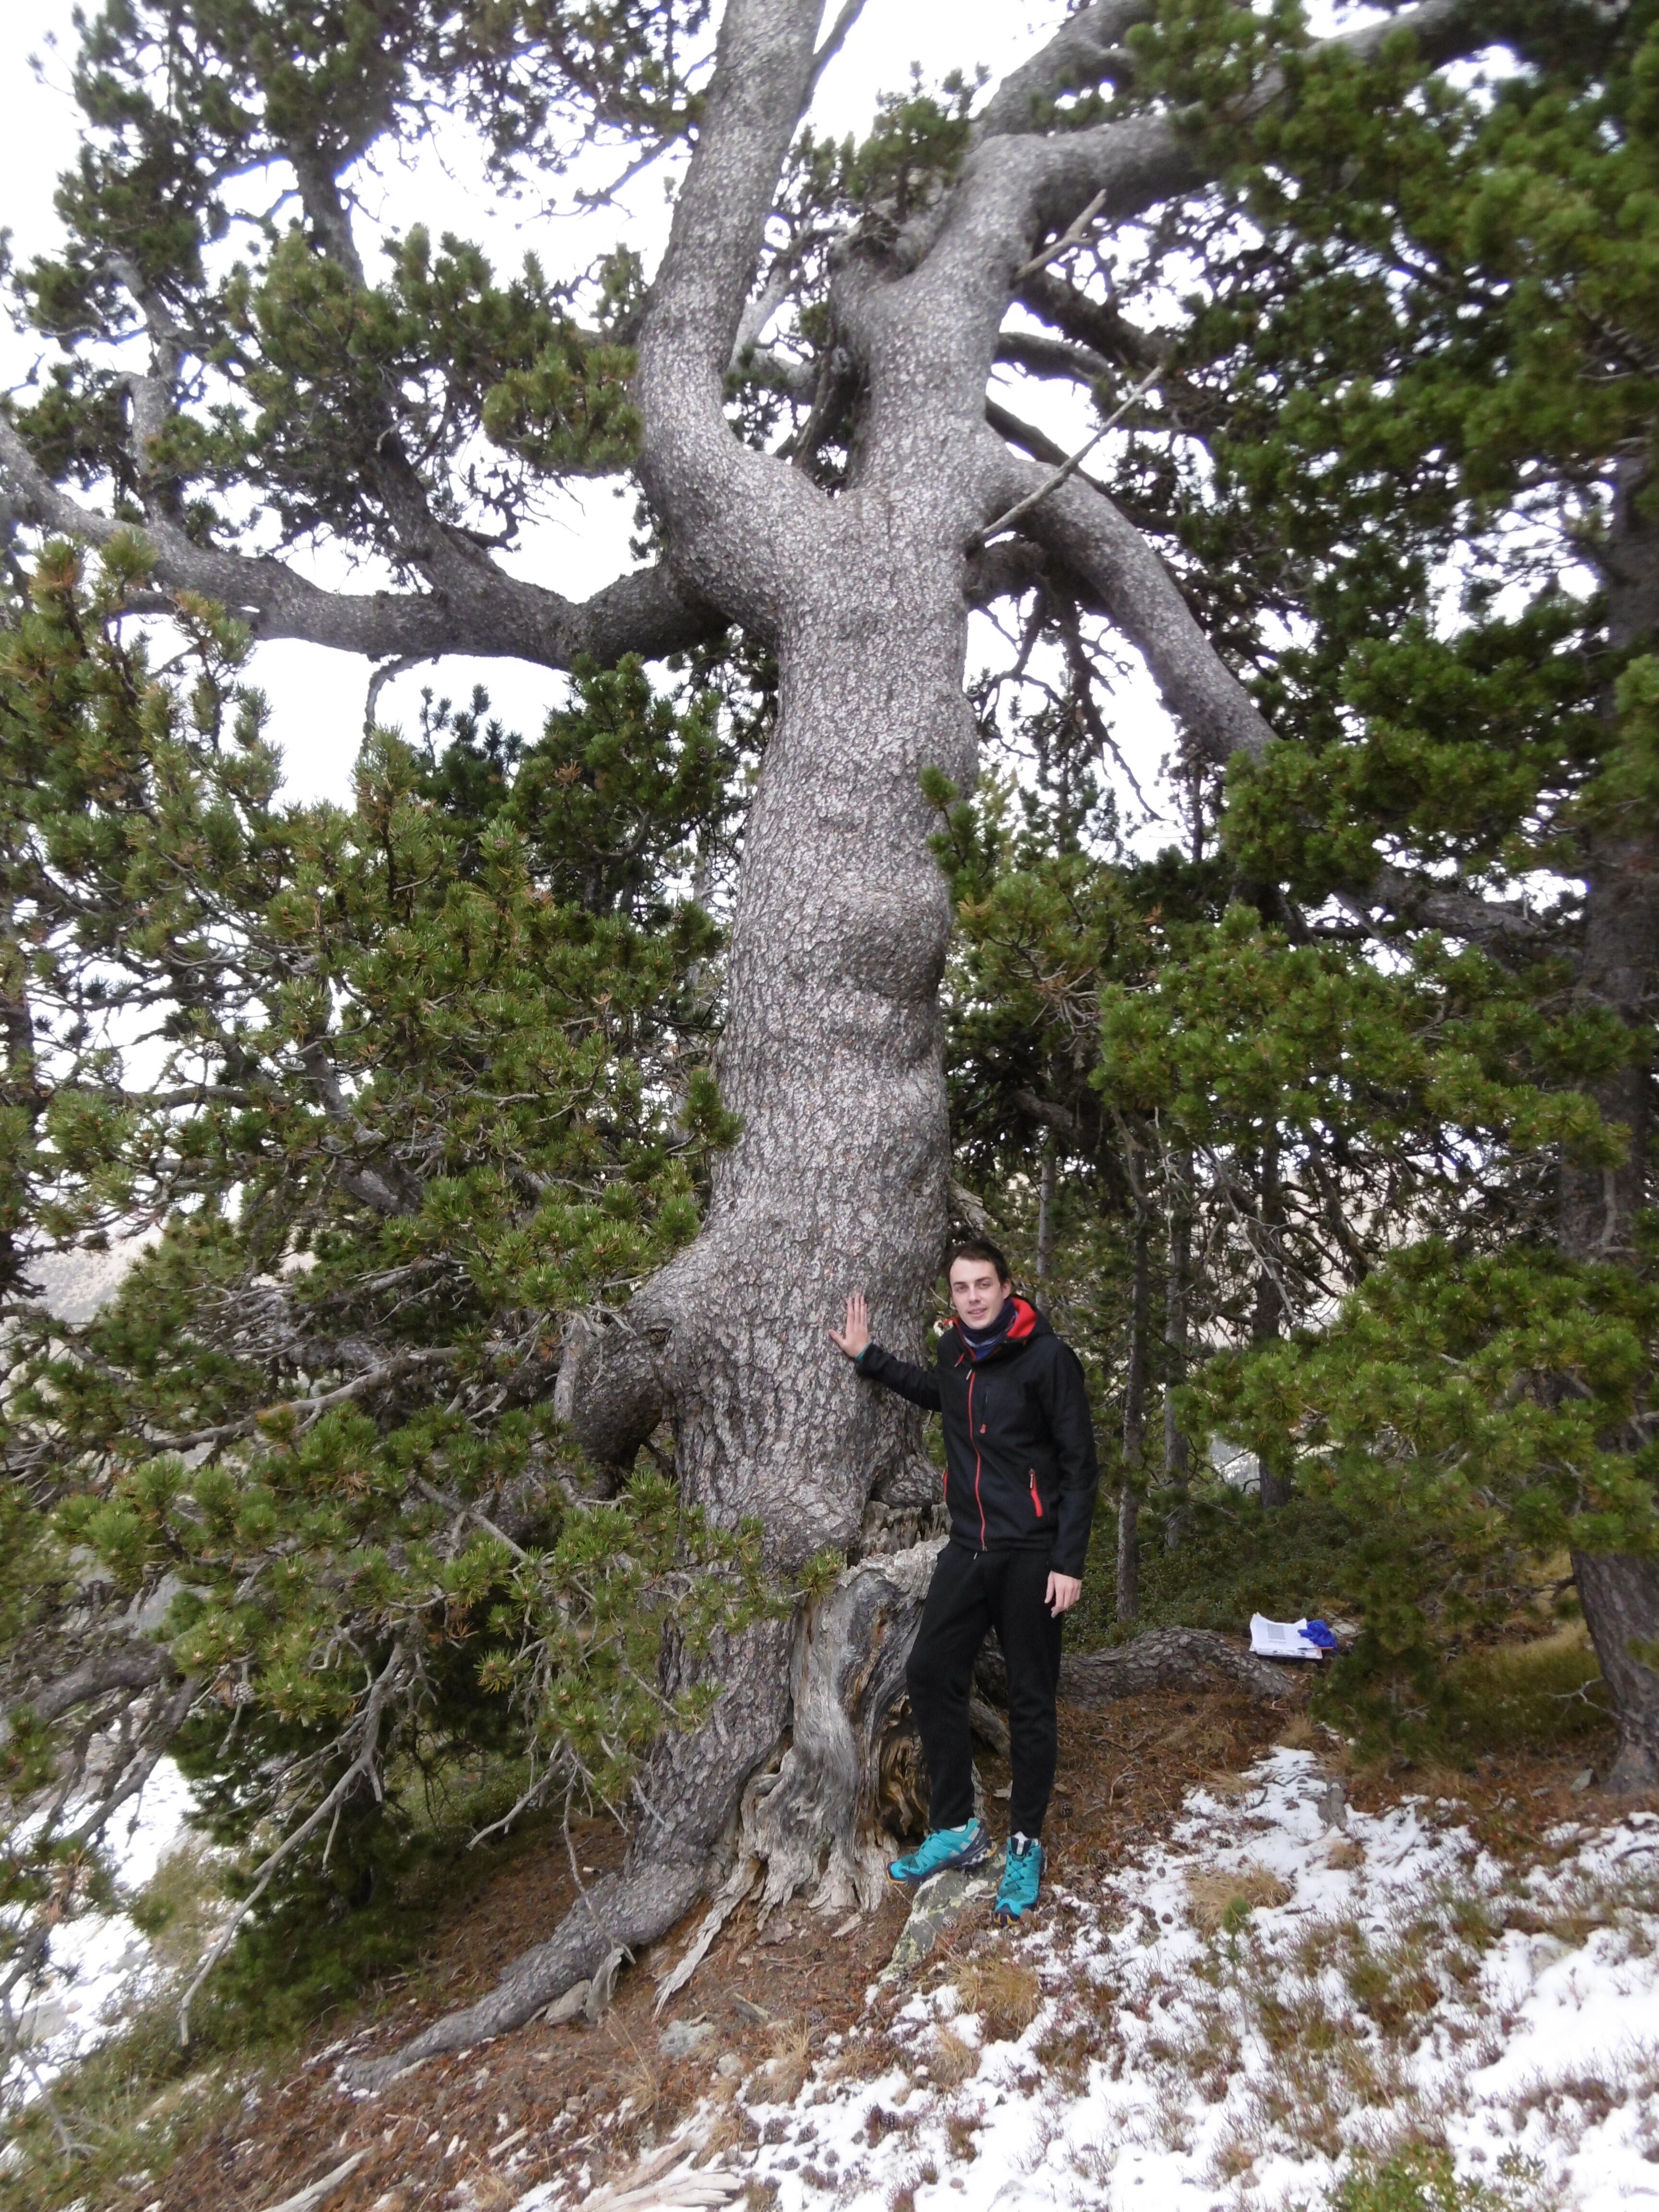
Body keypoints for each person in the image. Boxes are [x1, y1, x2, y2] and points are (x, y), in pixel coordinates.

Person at [829, 1239, 1099, 1923]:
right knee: (929, 1671)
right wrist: (870, 1359)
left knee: (1033, 1702)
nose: (974, 1296)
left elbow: (1080, 1466)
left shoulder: (1047, 1359)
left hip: (1033, 1555)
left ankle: (1026, 1843)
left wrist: (1069, 1560)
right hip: (970, 1547)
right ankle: (958, 1829)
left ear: (1008, 1287)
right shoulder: (956, 1351)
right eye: (962, 1287)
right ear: (951, 1296)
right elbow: (936, 1392)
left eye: (984, 1284)